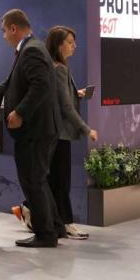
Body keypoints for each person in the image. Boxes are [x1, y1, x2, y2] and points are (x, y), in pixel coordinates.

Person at [0, 9, 63, 248]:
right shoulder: (30, 48)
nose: (3, 37)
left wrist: (20, 112)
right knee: (38, 180)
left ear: (13, 28)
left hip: (35, 130)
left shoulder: (31, 50)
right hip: (39, 129)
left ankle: (46, 234)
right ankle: (55, 227)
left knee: (32, 181)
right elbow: (12, 82)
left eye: (4, 31)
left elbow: (41, 85)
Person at [45, 26, 98, 240]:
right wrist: (86, 129)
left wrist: (76, 94)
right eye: (69, 42)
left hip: (54, 133)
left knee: (55, 180)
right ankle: (66, 223)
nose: (74, 46)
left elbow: (62, 98)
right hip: (60, 134)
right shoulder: (59, 69)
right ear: (58, 45)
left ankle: (51, 219)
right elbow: (66, 107)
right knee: (61, 181)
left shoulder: (55, 66)